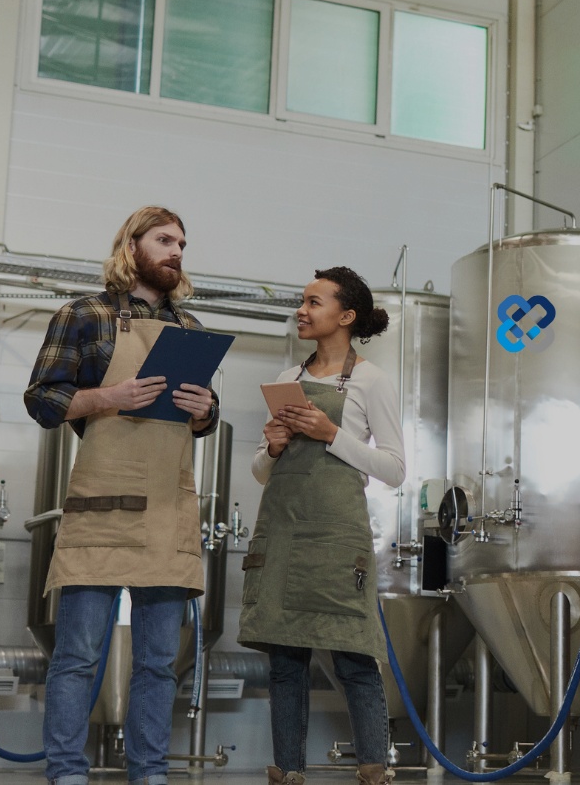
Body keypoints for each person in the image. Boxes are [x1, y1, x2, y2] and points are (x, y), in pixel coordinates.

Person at [24, 206, 219, 785]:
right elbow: (42, 400)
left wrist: (205, 411)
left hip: (167, 511)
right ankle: (66, 772)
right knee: (77, 658)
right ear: (131, 247)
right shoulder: (84, 314)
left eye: (181, 243)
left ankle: (149, 773)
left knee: (159, 664)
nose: (176, 251)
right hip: (103, 507)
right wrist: (111, 397)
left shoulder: (192, 330)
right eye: (164, 240)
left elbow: (206, 420)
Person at [240, 266, 405, 785]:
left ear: (346, 315)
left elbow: (395, 469)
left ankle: (373, 770)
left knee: (354, 655)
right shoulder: (286, 380)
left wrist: (331, 433)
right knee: (285, 661)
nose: (302, 310)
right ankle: (288, 772)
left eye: (314, 302)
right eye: (302, 301)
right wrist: (272, 447)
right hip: (282, 534)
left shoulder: (372, 380)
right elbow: (260, 472)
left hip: (336, 540)